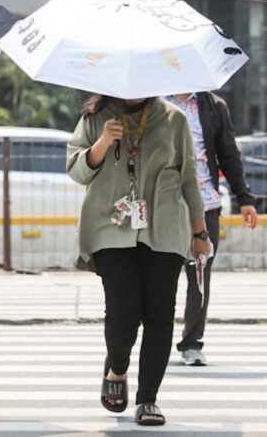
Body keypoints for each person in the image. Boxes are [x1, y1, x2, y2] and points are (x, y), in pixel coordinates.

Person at [67, 95, 210, 426]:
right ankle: (117, 366)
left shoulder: (175, 119)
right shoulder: (95, 117)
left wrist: (200, 234)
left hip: (165, 226)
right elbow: (77, 170)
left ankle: (148, 399)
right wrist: (104, 140)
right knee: (122, 312)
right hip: (110, 226)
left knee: (159, 315)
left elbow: (189, 177)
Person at [165, 92, 258, 366]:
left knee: (200, 274)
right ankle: (157, 338)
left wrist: (244, 198)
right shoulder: (156, 101)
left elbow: (229, 154)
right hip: (165, 204)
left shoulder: (214, 106)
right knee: (161, 275)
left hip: (205, 204)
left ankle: (192, 343)